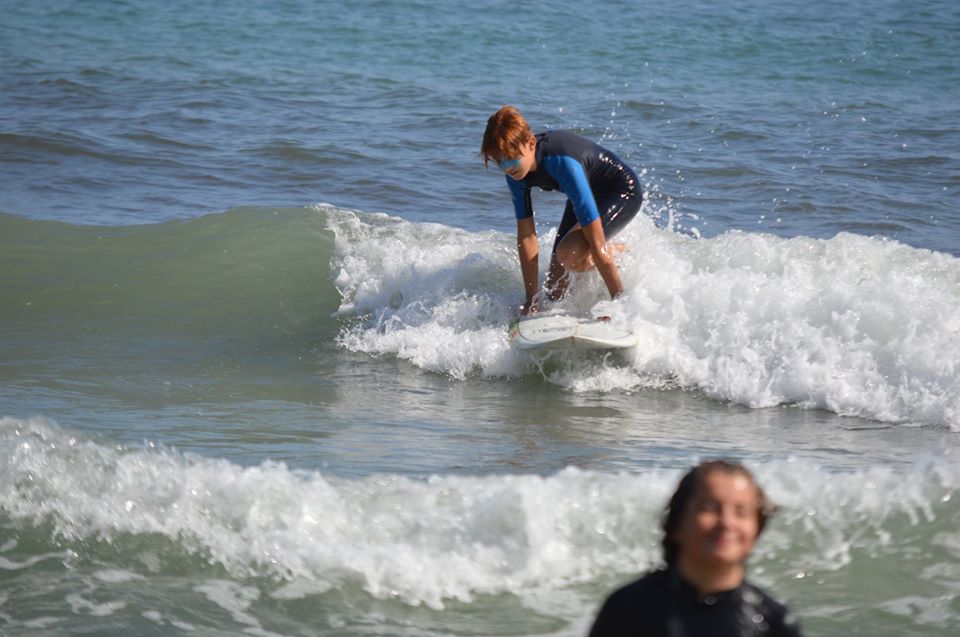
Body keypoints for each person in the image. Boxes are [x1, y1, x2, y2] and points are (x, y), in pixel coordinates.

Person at [588, 460, 803, 637]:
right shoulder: (628, 609)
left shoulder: (773, 622)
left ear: (757, 530)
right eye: (710, 508)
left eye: (741, 512)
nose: (726, 522)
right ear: (677, 524)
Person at [480, 106, 643, 314]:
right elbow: (527, 236)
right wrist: (531, 298)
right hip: (582, 193)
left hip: (620, 190)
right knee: (554, 291)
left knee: (570, 253)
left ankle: (620, 257)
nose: (507, 167)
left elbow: (596, 243)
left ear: (531, 143)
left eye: (512, 158)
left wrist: (620, 308)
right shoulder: (514, 174)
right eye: (500, 162)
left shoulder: (562, 162)